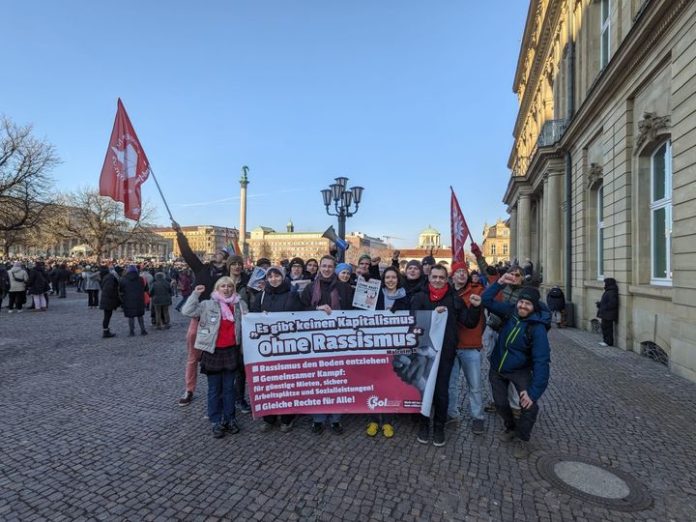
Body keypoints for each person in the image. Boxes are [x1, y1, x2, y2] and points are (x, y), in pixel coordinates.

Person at [409, 264, 482, 447]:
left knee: (442, 392)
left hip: (445, 353)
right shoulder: (419, 297)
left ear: (446, 278)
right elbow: (413, 322)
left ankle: (439, 427)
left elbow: (469, 322)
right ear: (429, 277)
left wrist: (475, 307)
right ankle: (424, 425)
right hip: (424, 353)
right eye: (434, 277)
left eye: (441, 277)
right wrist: (433, 316)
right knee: (424, 390)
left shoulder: (454, 299)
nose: (438, 281)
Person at [482, 273, 551, 458]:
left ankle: (523, 438)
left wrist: (534, 392)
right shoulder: (510, 311)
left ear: (534, 307)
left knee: (528, 404)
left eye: (527, 304)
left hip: (520, 370)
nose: (522, 306)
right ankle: (510, 428)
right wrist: (499, 283)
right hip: (498, 366)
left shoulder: (537, 329)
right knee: (500, 403)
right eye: (521, 302)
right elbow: (486, 300)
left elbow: (542, 362)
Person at [172, 220, 229, 407]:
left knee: (223, 357)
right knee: (192, 357)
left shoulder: (229, 275)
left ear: (226, 258)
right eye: (216, 252)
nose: (216, 253)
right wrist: (179, 233)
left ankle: (223, 392)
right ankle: (189, 389)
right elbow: (187, 253)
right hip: (200, 319)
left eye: (220, 252)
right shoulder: (201, 269)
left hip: (221, 320)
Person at [182, 277, 248, 438]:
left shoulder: (240, 304)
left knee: (229, 389)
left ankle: (230, 418)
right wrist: (195, 295)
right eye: (223, 286)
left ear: (233, 288)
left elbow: (250, 322)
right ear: (217, 289)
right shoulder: (207, 304)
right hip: (213, 352)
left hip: (232, 351)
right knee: (214, 389)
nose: (226, 289)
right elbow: (187, 311)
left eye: (229, 286)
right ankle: (216, 421)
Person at [299, 255, 354, 434]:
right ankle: (318, 418)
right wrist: (316, 310)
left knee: (338, 380)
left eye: (330, 266)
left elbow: (354, 311)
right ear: (319, 267)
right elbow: (299, 311)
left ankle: (336, 418)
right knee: (318, 380)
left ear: (334, 269)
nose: (327, 269)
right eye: (324, 266)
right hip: (315, 342)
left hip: (340, 340)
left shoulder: (345, 288)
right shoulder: (309, 288)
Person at [250, 266, 303, 432]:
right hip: (266, 348)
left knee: (287, 383)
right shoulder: (261, 296)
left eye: (277, 276)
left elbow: (300, 317)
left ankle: (287, 418)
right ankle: (269, 417)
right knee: (268, 382)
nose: (274, 279)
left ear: (283, 276)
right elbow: (252, 317)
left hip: (287, 346)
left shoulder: (292, 294)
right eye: (270, 276)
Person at [365, 266, 410, 439]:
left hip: (396, 346)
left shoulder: (406, 296)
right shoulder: (376, 294)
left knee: (390, 382)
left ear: (398, 279)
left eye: (393, 277)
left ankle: (388, 421)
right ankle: (374, 419)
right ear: (383, 280)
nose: (390, 280)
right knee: (374, 381)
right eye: (387, 278)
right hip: (375, 345)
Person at [446, 262, 486, 435]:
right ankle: (452, 414)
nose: (461, 274)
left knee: (475, 384)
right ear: (452, 275)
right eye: (458, 272)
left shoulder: (477, 290)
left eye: (464, 272)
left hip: (470, 345)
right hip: (452, 346)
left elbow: (493, 294)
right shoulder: (446, 293)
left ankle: (478, 417)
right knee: (451, 384)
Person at [119, 265, 148, 336]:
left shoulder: (123, 279)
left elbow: (121, 290)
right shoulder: (141, 279)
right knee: (140, 315)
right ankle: (143, 330)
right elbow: (146, 288)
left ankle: (131, 331)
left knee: (131, 316)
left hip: (128, 300)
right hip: (139, 300)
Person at [99, 266, 120, 338]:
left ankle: (106, 330)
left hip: (106, 299)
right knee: (107, 316)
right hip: (108, 300)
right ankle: (106, 332)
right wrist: (115, 295)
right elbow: (109, 289)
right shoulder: (110, 278)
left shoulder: (106, 277)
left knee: (107, 316)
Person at [597, 278, 619, 347]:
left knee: (608, 328)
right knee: (604, 327)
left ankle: (608, 342)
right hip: (606, 313)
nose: (604, 284)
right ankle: (605, 340)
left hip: (608, 314)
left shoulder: (612, 292)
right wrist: (600, 304)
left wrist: (604, 307)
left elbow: (613, 303)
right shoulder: (608, 290)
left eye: (605, 283)